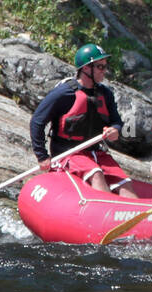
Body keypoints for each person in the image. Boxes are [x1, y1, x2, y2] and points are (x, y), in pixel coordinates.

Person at [29, 43, 138, 196]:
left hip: (95, 151)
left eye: (105, 67)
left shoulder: (105, 93)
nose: (104, 71)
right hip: (67, 152)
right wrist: (42, 156)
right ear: (86, 68)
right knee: (96, 174)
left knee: (125, 183)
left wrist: (116, 130)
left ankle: (135, 217)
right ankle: (105, 213)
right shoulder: (65, 92)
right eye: (100, 67)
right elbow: (37, 121)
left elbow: (116, 122)